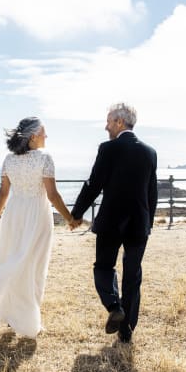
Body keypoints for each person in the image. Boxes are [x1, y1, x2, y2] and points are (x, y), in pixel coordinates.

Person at [0, 117, 78, 338]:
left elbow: (3, 192)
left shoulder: (9, 160)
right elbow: (53, 195)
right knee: (34, 265)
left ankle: (16, 316)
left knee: (13, 260)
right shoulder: (45, 158)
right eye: (44, 132)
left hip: (14, 215)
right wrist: (70, 218)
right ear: (33, 136)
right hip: (37, 216)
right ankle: (28, 321)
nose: (47, 136)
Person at [71, 103, 157, 343]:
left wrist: (76, 214)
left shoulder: (108, 148)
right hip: (139, 224)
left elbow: (93, 184)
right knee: (133, 275)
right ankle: (126, 330)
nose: (106, 125)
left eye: (109, 121)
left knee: (104, 267)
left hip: (111, 221)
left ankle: (113, 306)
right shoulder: (150, 152)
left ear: (119, 122)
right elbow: (152, 193)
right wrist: (147, 223)